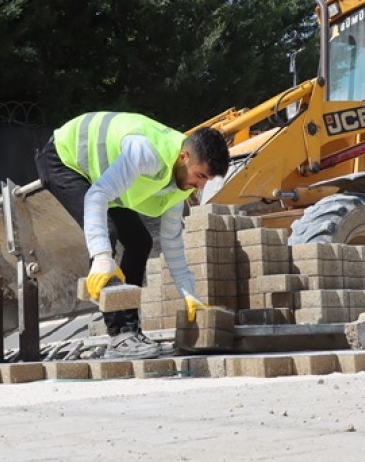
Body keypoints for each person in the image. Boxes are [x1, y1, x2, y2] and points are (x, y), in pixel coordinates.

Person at [35, 112, 230, 360]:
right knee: (106, 233)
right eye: (201, 176)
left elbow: (171, 242)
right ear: (185, 157)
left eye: (207, 180)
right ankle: (118, 337)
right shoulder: (146, 152)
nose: (201, 186)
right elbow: (97, 196)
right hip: (65, 158)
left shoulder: (183, 181)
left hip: (102, 175)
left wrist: (189, 294)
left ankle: (130, 332)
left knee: (140, 242)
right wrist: (102, 257)